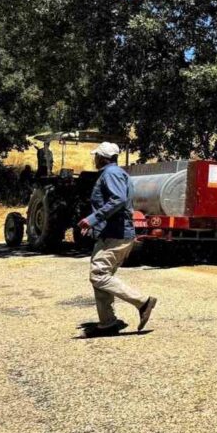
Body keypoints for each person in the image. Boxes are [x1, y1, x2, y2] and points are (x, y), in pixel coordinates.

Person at [78, 142, 157, 336]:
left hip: (116, 235)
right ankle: (107, 323)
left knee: (98, 275)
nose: (94, 159)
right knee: (101, 277)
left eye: (96, 156)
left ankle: (143, 302)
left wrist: (92, 219)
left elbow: (118, 200)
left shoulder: (111, 174)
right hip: (110, 233)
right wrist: (94, 226)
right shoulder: (117, 173)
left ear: (102, 158)